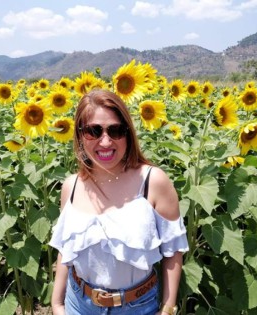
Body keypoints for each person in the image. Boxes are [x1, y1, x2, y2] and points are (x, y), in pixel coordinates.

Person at [50, 89, 189, 315]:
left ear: (128, 133)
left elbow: (173, 251)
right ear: (79, 135)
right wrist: (57, 304)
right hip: (79, 303)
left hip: (137, 307)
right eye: (93, 131)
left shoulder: (153, 182)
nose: (105, 141)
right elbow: (67, 248)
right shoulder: (71, 186)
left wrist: (168, 308)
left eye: (115, 130)